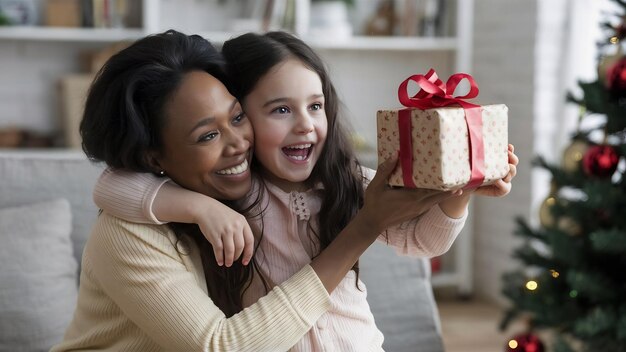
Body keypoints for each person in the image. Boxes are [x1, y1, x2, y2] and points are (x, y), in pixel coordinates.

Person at [91, 31, 519, 351]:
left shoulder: (345, 179)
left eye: (315, 106)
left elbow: (420, 240)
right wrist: (197, 205)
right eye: (280, 110)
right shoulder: (236, 191)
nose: (305, 125)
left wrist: (458, 191)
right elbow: (113, 186)